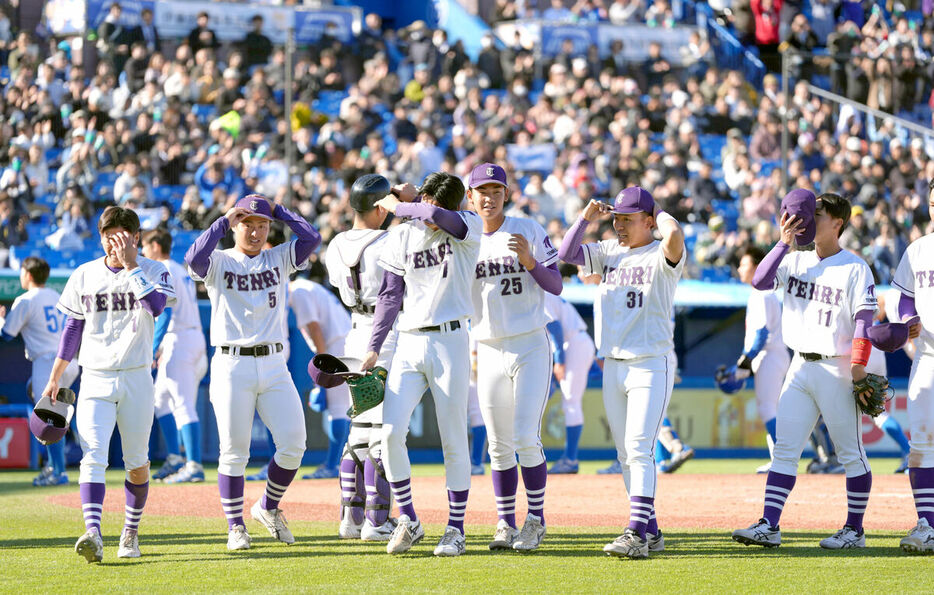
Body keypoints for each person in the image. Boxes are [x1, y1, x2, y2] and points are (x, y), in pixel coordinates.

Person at [732, 190, 877, 550]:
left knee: (850, 454)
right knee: (784, 450)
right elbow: (760, 281)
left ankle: (854, 530)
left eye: (817, 213)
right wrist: (782, 243)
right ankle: (770, 524)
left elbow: (864, 322)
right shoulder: (794, 260)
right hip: (799, 366)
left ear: (837, 223)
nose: (807, 218)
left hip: (837, 368)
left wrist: (858, 368)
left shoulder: (855, 267)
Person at [185, 194, 321, 551]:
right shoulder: (219, 260)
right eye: (249, 224)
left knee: (294, 444)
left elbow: (311, 239)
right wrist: (224, 220)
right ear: (236, 226)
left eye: (262, 225)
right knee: (234, 451)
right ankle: (235, 526)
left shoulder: (278, 256)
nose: (257, 231)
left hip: (275, 363)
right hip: (232, 362)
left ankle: (268, 507)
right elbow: (193, 258)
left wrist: (280, 212)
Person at [558, 186, 686, 559]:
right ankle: (651, 529)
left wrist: (657, 207)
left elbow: (674, 234)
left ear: (649, 221)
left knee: (639, 449)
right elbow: (567, 254)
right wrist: (586, 219)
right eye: (617, 217)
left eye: (629, 219)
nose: (620, 224)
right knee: (625, 453)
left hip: (650, 362)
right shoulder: (609, 251)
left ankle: (634, 533)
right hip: (613, 363)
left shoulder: (662, 252)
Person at [360, 171, 482, 556]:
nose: (440, 211)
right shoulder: (402, 235)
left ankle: (456, 528)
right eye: (435, 202)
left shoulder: (467, 223)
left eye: (448, 205)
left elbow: (444, 218)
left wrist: (403, 204)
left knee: (452, 437)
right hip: (411, 340)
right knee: (390, 433)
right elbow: (389, 296)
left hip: (450, 338)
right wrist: (374, 347)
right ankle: (410, 520)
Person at [46, 206, 176, 562]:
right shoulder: (85, 273)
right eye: (106, 235)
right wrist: (55, 377)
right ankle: (93, 533)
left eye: (120, 234)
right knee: (93, 457)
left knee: (137, 462)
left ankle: (130, 532)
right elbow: (73, 329)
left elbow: (156, 305)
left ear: (136, 236)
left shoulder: (154, 269)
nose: (112, 242)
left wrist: (133, 264)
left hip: (136, 375)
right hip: (96, 377)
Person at [467, 163, 562, 552]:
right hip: (487, 346)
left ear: (507, 194)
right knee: (497, 443)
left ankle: (536, 519)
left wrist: (531, 263)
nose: (489, 197)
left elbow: (555, 284)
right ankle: (505, 523)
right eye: (481, 191)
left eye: (496, 190)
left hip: (529, 343)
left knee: (525, 436)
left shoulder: (528, 229)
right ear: (470, 197)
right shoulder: (464, 238)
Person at [323, 173, 400, 541]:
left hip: (353, 333)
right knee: (382, 433)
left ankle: (350, 518)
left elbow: (340, 286)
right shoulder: (390, 238)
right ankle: (376, 520)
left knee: (358, 430)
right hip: (384, 335)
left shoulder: (335, 243)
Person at [0, 257, 80, 486]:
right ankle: (54, 465)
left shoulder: (25, 300)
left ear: (29, 275)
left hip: (47, 361)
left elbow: (6, 334)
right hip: (68, 361)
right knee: (42, 402)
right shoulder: (56, 296)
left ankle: (59, 471)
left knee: (49, 418)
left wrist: (0, 319)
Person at [141, 230, 208, 484]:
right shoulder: (178, 268)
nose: (143, 251)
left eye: (146, 245)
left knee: (182, 404)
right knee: (160, 400)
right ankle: (175, 458)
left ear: (156, 245)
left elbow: (166, 311)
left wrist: (152, 347)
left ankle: (194, 465)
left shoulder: (162, 268)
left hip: (178, 338)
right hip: (189, 336)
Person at [891, 185, 934, 554]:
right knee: (921, 444)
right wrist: (908, 318)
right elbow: (903, 298)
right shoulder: (918, 250)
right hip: (929, 358)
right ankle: (928, 524)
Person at [289, 274, 351, 480]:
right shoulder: (306, 286)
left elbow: (315, 328)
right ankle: (337, 463)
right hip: (344, 340)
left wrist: (322, 366)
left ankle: (334, 464)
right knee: (342, 408)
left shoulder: (298, 290)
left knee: (338, 409)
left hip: (337, 345)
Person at [736, 246, 791, 473]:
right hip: (772, 355)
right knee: (771, 409)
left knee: (767, 408)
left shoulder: (761, 293)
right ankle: (778, 459)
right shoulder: (762, 292)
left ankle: (783, 461)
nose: (740, 269)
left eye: (744, 264)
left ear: (758, 267)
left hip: (769, 354)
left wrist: (745, 360)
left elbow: (761, 334)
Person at [543, 287, 596, 476]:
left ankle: (571, 459)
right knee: (570, 402)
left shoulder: (540, 291)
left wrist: (560, 361)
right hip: (578, 341)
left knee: (571, 402)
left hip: (572, 343)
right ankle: (570, 458)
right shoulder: (542, 288)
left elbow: (555, 328)